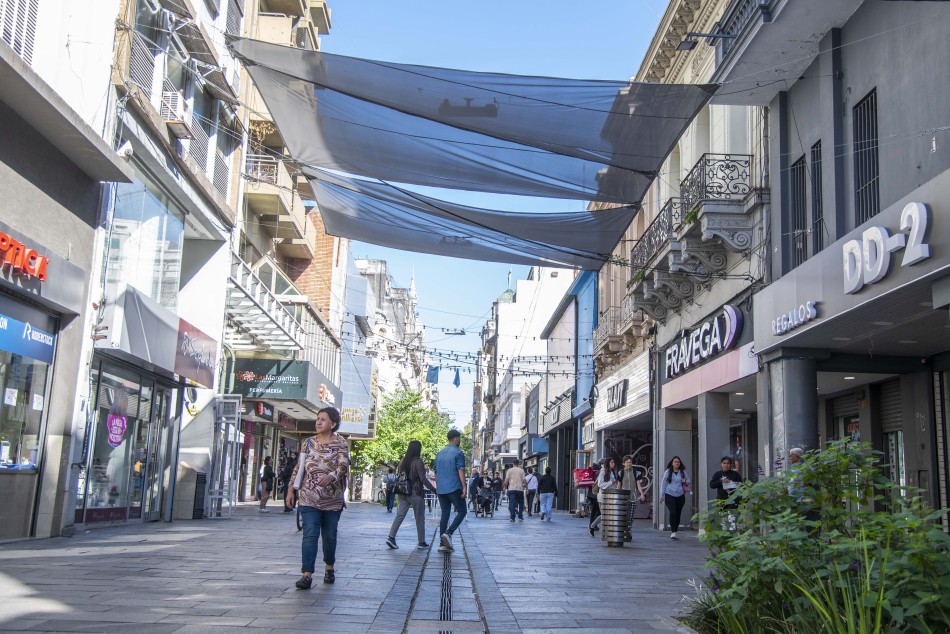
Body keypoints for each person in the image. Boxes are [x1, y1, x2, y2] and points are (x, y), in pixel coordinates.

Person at [286, 407, 349, 589]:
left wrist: (333, 476)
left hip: (332, 499)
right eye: (317, 419)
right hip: (309, 496)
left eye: (323, 419)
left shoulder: (340, 443)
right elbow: (300, 467)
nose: (318, 422)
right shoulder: (308, 443)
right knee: (310, 534)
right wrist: (291, 489)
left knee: (329, 536)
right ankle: (307, 574)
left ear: (333, 424)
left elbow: (343, 465)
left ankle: (329, 567)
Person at [386, 440, 438, 550]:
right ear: (417, 449)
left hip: (402, 491)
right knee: (419, 517)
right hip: (415, 492)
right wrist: (434, 490)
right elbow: (423, 479)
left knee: (400, 515)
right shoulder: (418, 462)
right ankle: (421, 541)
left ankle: (391, 537)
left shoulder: (403, 461)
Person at [434, 429, 467, 553]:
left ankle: (442, 544)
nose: (459, 441)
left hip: (441, 489)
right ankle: (448, 533)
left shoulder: (439, 454)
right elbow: (460, 470)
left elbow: (436, 473)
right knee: (462, 511)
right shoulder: (458, 453)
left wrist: (438, 486)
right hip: (454, 487)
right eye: (459, 439)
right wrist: (464, 486)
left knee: (445, 514)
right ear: (456, 439)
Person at [659, 456, 690, 540]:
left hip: (680, 495)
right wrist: (662, 495)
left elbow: (688, 481)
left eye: (678, 462)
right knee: (673, 512)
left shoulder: (682, 472)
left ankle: (675, 531)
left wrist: (685, 481)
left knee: (678, 513)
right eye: (675, 462)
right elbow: (663, 484)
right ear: (672, 463)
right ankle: (673, 532)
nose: (677, 463)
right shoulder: (668, 472)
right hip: (669, 494)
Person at [710, 455, 743, 530]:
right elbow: (712, 485)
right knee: (723, 520)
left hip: (733, 499)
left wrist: (734, 486)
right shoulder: (718, 474)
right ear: (721, 464)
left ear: (731, 464)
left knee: (732, 519)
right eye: (724, 463)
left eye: (728, 463)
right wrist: (721, 481)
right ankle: (724, 537)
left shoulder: (735, 474)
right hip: (721, 499)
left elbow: (741, 485)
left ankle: (732, 535)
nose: (726, 465)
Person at [589, 457, 619, 536]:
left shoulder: (612, 472)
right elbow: (600, 484)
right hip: (602, 497)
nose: (613, 464)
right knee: (605, 515)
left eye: (614, 463)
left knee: (607, 515)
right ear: (608, 463)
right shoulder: (603, 471)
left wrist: (615, 485)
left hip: (610, 496)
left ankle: (593, 526)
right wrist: (611, 482)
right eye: (612, 462)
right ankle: (594, 526)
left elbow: (612, 485)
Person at [619, 455, 646, 538]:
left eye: (630, 462)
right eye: (627, 462)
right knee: (624, 515)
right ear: (624, 463)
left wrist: (641, 493)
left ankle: (628, 530)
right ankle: (624, 530)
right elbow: (619, 486)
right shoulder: (621, 472)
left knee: (631, 516)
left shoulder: (635, 472)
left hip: (633, 497)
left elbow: (638, 484)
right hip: (623, 498)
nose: (628, 464)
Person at [586, 461, 602, 535]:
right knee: (598, 510)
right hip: (595, 495)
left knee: (594, 510)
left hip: (590, 494)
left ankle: (592, 524)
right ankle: (593, 525)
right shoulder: (598, 473)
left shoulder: (592, 473)